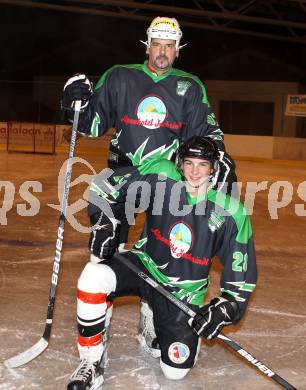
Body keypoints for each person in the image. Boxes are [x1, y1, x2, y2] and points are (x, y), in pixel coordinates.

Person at [61, 16, 238, 354]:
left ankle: (149, 323)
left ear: (178, 50)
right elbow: (93, 123)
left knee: (160, 255)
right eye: (157, 44)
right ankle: (99, 326)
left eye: (169, 46)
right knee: (103, 253)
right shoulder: (119, 76)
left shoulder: (189, 85)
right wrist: (75, 107)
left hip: (167, 181)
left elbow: (205, 135)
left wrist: (220, 155)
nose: (162, 52)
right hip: (122, 175)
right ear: (147, 45)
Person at [67, 136, 257, 389]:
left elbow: (240, 275)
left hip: (183, 292)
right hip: (143, 265)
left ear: (213, 168)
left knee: (174, 373)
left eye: (202, 164)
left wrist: (228, 307)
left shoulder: (232, 212)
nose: (194, 171)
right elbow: (106, 185)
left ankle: (158, 320)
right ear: (180, 163)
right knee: (93, 275)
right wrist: (103, 223)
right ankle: (91, 362)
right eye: (188, 163)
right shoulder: (161, 177)